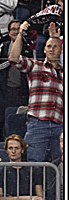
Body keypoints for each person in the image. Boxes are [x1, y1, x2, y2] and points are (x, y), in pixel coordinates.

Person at [9, 21, 63, 163]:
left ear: (61, 50)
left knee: (60, 167)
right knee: (34, 167)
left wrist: (58, 38)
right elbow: (14, 59)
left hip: (60, 126)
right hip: (38, 124)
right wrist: (20, 33)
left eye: (56, 47)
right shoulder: (36, 66)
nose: (51, 49)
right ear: (44, 50)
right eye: (49, 46)